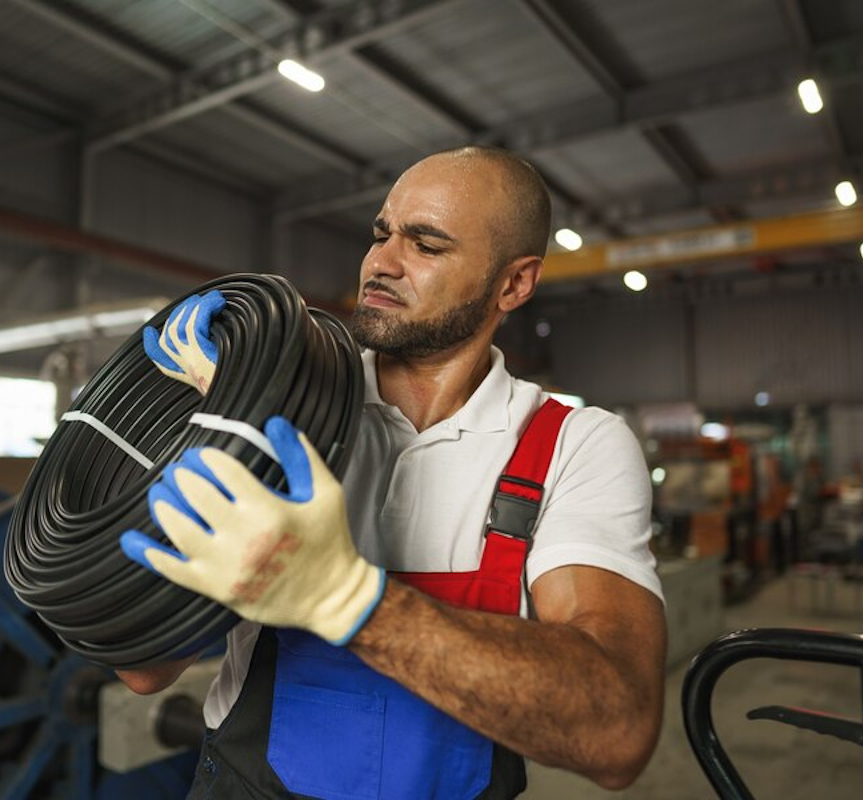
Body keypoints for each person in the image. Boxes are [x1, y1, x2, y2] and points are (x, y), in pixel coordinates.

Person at [119, 146, 666, 798]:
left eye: (426, 244)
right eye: (381, 234)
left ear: (514, 283)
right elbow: (144, 668)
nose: (380, 262)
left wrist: (343, 598)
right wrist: (187, 431)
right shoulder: (278, 412)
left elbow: (617, 728)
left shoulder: (574, 446)